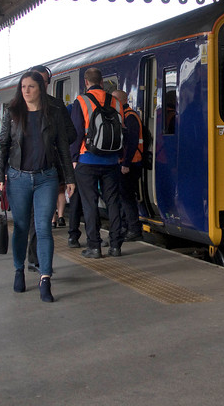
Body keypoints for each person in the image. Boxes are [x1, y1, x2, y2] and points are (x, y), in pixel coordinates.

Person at [0, 71, 75, 303]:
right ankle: (19, 270)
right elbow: (2, 146)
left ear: (41, 88)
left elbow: (61, 146)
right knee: (20, 227)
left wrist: (69, 177)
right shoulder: (12, 113)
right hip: (18, 177)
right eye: (23, 87)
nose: (26, 91)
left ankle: (45, 279)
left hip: (46, 177)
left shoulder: (54, 113)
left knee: (43, 229)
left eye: (31, 86)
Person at [25, 65, 77, 271]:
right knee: (26, 219)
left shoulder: (55, 107)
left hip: (48, 170)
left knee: (42, 218)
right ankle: (28, 260)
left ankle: (37, 260)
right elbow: (6, 141)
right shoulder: (19, 107)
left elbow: (70, 134)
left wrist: (54, 142)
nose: (40, 84)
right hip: (22, 171)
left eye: (43, 80)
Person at [70, 67, 125, 259]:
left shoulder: (81, 101)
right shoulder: (116, 102)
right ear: (102, 82)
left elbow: (76, 132)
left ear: (86, 82)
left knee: (90, 203)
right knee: (113, 202)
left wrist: (74, 158)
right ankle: (116, 245)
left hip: (87, 158)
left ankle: (94, 246)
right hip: (112, 160)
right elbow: (121, 130)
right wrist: (120, 156)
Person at [111, 90, 144, 242]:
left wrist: (126, 163)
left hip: (131, 163)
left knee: (127, 197)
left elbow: (132, 142)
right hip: (127, 162)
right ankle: (126, 226)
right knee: (122, 196)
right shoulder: (124, 115)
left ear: (119, 100)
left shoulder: (130, 117)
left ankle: (134, 229)